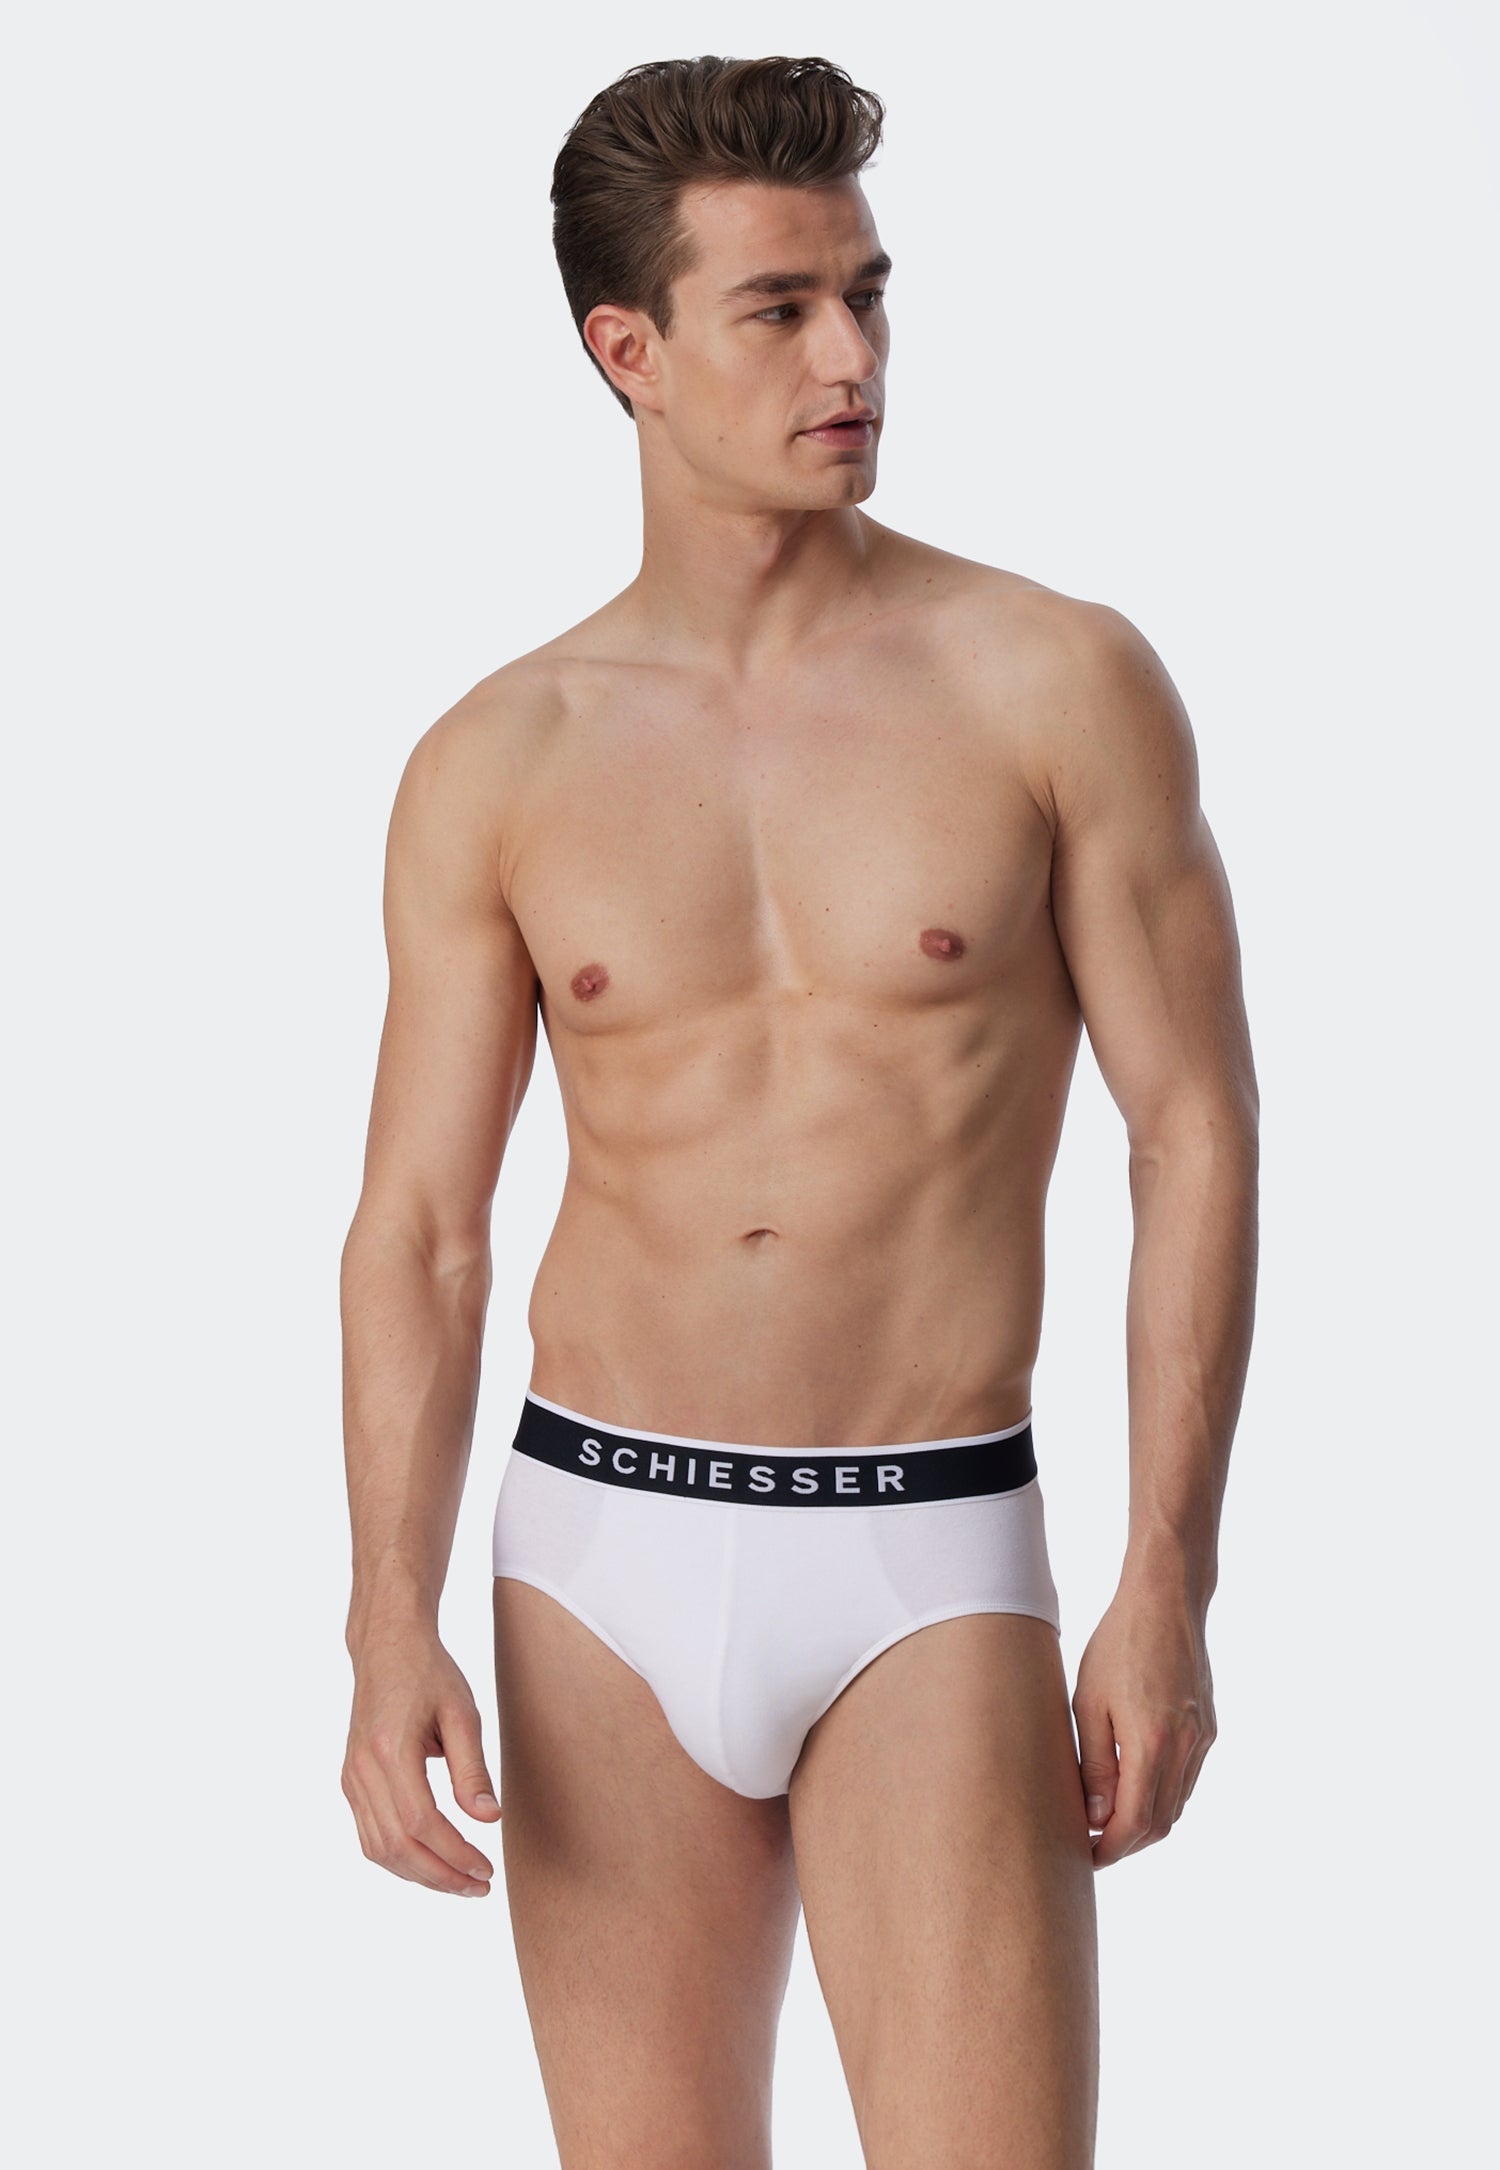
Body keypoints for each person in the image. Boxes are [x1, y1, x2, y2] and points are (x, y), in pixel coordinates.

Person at [339, 52, 1259, 2170]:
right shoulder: (499, 755)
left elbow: (1192, 1131)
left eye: (869, 295)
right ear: (628, 352)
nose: (853, 358)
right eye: (782, 309)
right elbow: (423, 1227)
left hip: (924, 1541)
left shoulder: (1053, 682)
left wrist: (1168, 1576)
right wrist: (384, 1610)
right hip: (596, 1550)